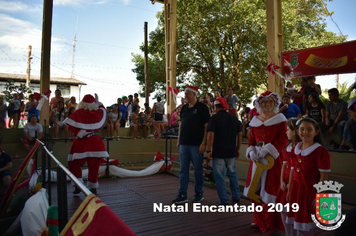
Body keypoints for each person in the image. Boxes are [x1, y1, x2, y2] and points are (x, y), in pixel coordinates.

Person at [244, 91, 288, 233]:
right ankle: (259, 220)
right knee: (255, 190)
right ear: (259, 104)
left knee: (270, 191)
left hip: (272, 160)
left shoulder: (280, 119)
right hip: (257, 158)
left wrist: (268, 149)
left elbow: (284, 139)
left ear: (275, 103)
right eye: (264, 102)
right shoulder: (255, 120)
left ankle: (270, 224)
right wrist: (251, 151)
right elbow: (251, 140)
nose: (267, 105)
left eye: (270, 102)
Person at [286, 117, 330, 235]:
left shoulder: (320, 151)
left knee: (305, 224)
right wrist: (290, 188)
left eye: (309, 129)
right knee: (297, 222)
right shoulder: (296, 148)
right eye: (302, 129)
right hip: (296, 189)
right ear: (297, 131)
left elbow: (323, 176)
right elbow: (292, 170)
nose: (305, 132)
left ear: (316, 132)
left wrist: (320, 195)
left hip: (309, 191)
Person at [64, 94, 109, 194]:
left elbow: (69, 124)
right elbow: (103, 110)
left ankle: (77, 185)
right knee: (94, 166)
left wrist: (80, 133)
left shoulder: (78, 112)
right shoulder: (98, 112)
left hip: (82, 142)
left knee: (73, 164)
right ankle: (93, 188)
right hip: (96, 143)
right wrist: (99, 104)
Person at [172, 85, 210, 204]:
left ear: (194, 94)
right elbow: (181, 124)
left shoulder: (202, 108)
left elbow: (206, 126)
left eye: (187, 93)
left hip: (196, 144)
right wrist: (179, 140)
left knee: (198, 170)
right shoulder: (184, 108)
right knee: (183, 170)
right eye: (185, 94)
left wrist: (204, 143)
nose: (185, 96)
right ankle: (182, 194)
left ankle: (199, 193)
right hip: (184, 144)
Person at [206, 97, 242, 205]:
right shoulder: (234, 118)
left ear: (216, 106)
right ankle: (236, 196)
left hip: (218, 152)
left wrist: (208, 150)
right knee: (232, 174)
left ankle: (224, 199)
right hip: (231, 151)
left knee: (220, 176)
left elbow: (210, 135)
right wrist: (238, 148)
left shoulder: (214, 118)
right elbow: (240, 134)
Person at [275, 118, 298, 236]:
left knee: (293, 212)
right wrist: (281, 182)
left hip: (293, 182)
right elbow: (284, 165)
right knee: (282, 209)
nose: (286, 132)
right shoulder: (288, 147)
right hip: (285, 181)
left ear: (295, 132)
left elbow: (295, 168)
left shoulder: (298, 148)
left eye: (288, 130)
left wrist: (290, 184)